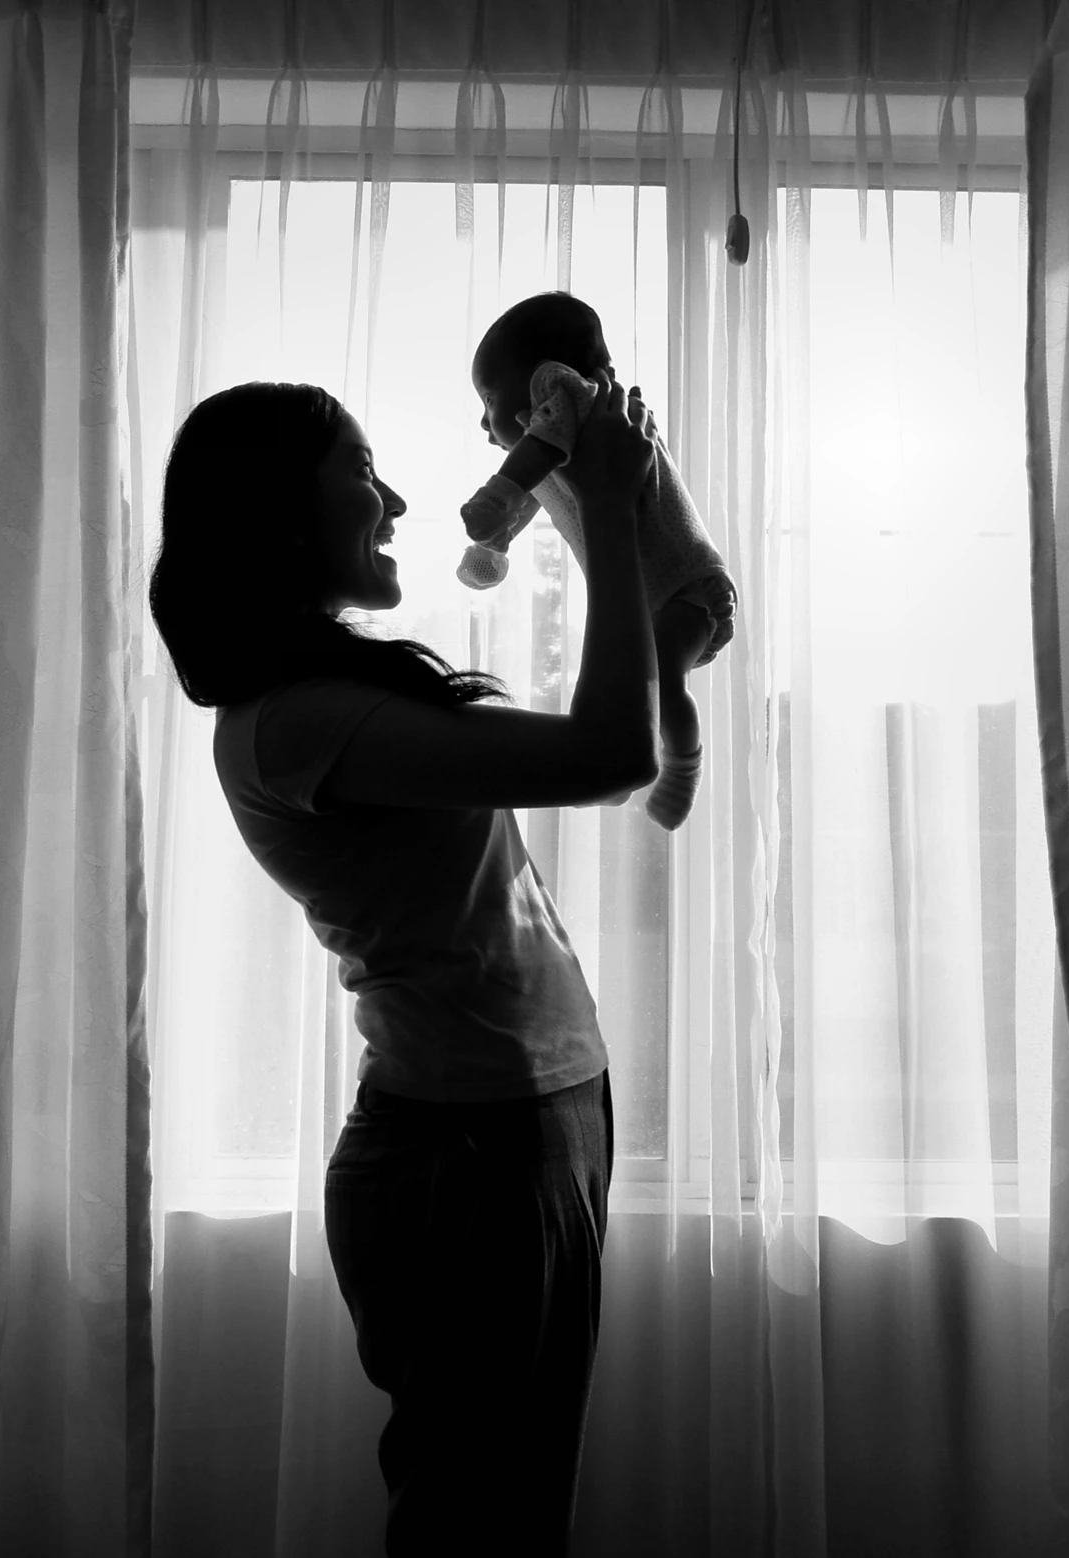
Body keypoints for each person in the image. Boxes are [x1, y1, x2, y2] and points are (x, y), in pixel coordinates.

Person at [148, 376, 661, 1555]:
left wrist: (596, 504)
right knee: (479, 1525)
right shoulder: (296, 721)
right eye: (360, 473)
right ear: (282, 514)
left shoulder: (332, 697)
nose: (392, 500)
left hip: (527, 1120)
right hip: (468, 1157)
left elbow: (607, 759)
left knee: (509, 1513)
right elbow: (612, 751)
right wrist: (614, 514)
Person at [457, 292, 737, 831]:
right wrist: (500, 539)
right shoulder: (578, 443)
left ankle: (682, 766)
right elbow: (539, 487)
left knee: (659, 673)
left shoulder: (573, 398)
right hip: (668, 592)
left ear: (543, 377)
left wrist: (496, 496)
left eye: (489, 397)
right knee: (644, 674)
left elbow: (531, 461)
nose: (485, 422)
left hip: (688, 586)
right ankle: (641, 761)